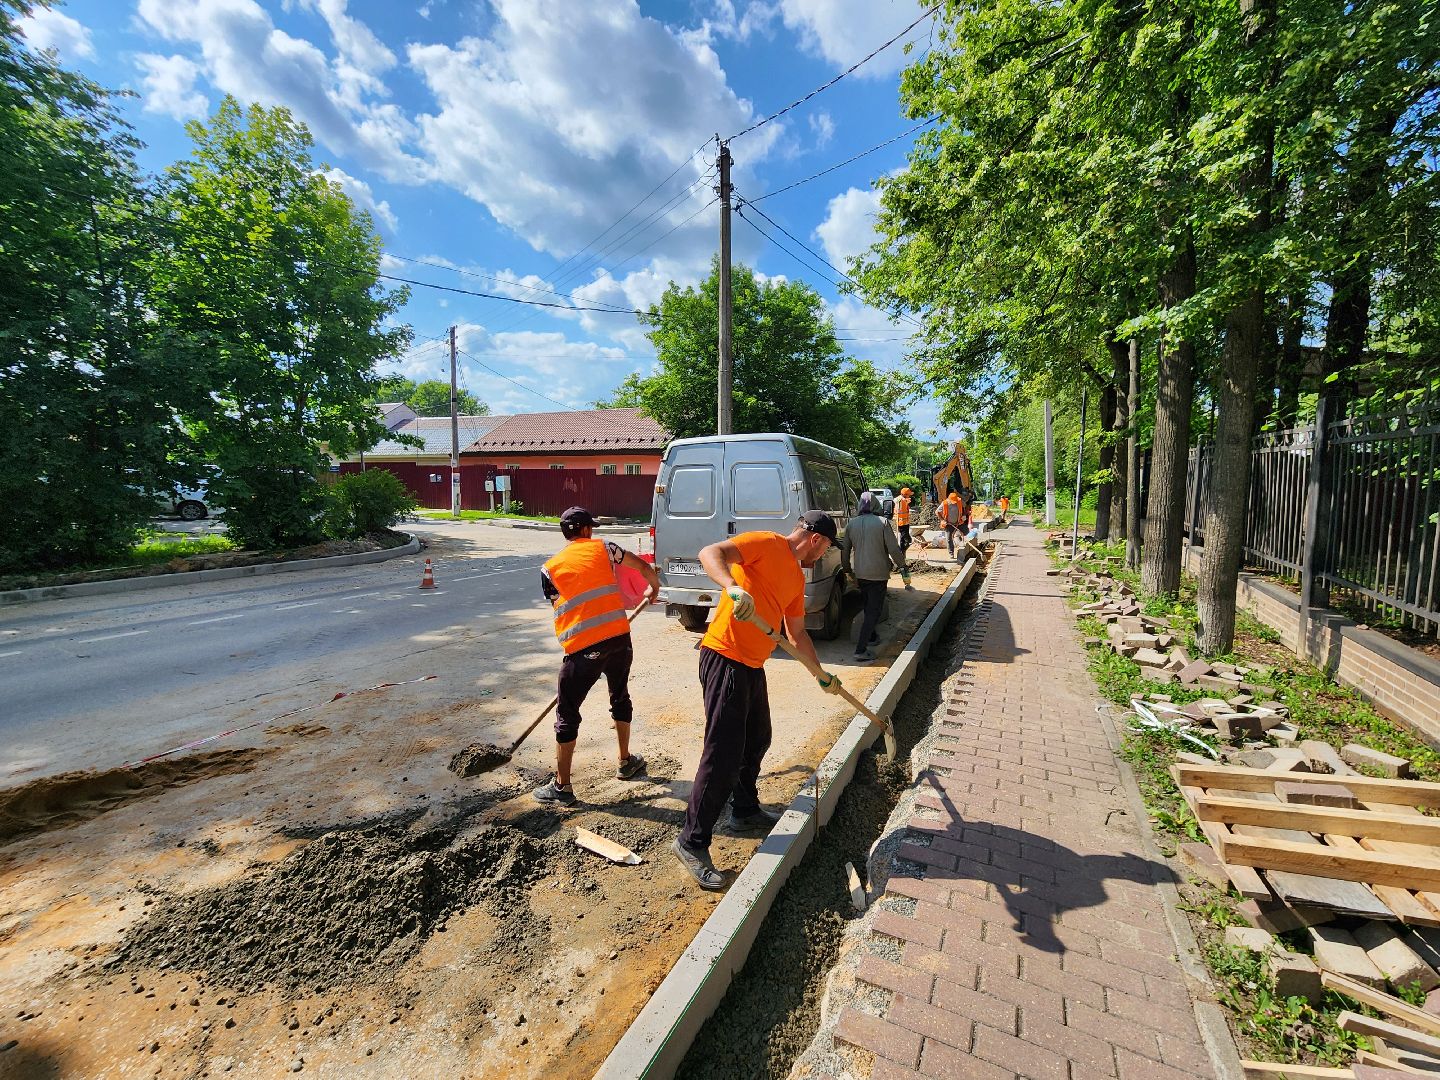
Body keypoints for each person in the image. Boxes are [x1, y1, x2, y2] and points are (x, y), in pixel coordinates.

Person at [672, 510, 844, 890]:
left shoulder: (798, 576)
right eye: (829, 546)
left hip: (751, 664)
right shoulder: (766, 543)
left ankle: (745, 809)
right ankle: (691, 841)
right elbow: (710, 552)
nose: (827, 554)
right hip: (724, 655)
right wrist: (732, 587)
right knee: (722, 753)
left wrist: (821, 676)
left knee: (758, 738)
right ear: (816, 539)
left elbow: (796, 632)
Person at [534, 506, 661, 807]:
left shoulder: (549, 569)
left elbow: (559, 604)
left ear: (566, 533)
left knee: (567, 714)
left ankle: (562, 788)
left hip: (583, 649)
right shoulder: (607, 549)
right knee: (620, 696)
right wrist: (653, 589)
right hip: (619, 639)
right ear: (587, 530)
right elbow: (644, 569)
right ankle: (626, 761)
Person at [843, 492, 911, 664]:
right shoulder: (882, 523)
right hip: (878, 574)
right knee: (874, 611)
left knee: (868, 605)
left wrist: (847, 570)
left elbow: (845, 551)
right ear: (875, 505)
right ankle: (860, 650)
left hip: (860, 573)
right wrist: (902, 566)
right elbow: (894, 549)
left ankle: (872, 636)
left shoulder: (852, 524)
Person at [941, 491, 965, 559]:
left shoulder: (959, 502)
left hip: (957, 523)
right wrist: (943, 520)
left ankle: (962, 548)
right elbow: (937, 512)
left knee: (960, 535)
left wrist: (963, 516)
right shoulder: (945, 503)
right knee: (949, 539)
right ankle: (951, 553)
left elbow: (962, 510)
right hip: (948, 524)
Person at [894, 487, 914, 554]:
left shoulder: (900, 499)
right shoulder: (901, 500)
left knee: (904, 539)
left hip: (903, 522)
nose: (909, 496)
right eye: (909, 494)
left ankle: (902, 552)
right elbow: (900, 510)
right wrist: (906, 502)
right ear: (905, 494)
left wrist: (907, 502)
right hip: (902, 522)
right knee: (906, 540)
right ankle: (902, 552)